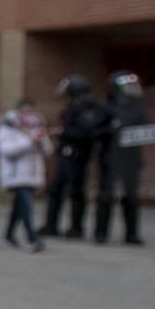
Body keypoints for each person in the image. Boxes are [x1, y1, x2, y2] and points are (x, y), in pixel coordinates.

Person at [41, 74, 109, 239]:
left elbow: (86, 133)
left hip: (77, 155)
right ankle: (51, 225)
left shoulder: (86, 108)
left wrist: (63, 132)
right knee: (55, 190)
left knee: (75, 192)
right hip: (66, 154)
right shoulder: (75, 106)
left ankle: (76, 228)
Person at [95, 71, 150, 246]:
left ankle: (131, 234)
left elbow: (147, 129)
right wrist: (112, 129)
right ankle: (101, 233)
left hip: (131, 158)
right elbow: (94, 131)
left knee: (131, 197)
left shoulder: (137, 109)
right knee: (106, 196)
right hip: (110, 158)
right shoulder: (106, 108)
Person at [0, 99, 51, 252]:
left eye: (31, 112)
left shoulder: (37, 127)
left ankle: (8, 235)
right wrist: (29, 141)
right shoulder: (7, 127)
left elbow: (48, 151)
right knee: (26, 205)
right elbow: (7, 150)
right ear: (19, 112)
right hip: (15, 176)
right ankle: (33, 238)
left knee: (18, 206)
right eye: (26, 112)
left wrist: (41, 140)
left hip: (33, 175)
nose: (29, 115)